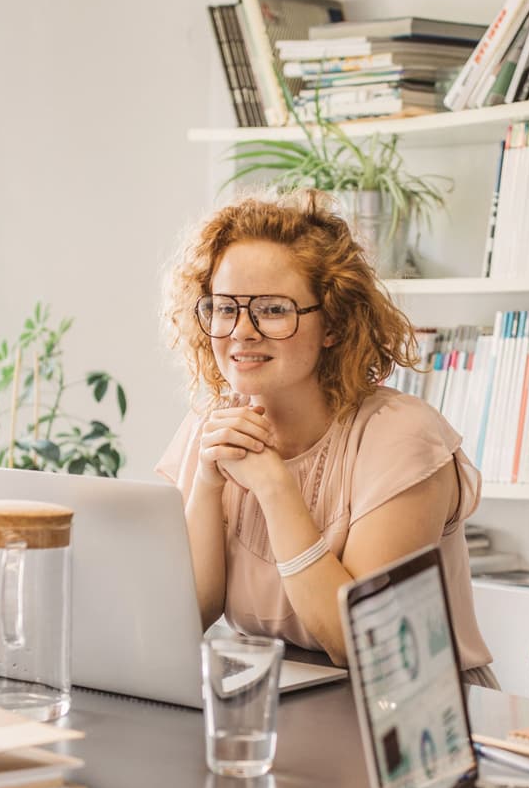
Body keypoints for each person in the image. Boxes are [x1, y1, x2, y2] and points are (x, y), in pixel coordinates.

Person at [157, 191, 495, 680]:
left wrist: (274, 488)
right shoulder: (208, 426)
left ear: (333, 323)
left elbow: (359, 644)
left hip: (411, 718)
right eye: (223, 307)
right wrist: (209, 485)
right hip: (280, 701)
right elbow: (184, 617)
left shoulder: (400, 435)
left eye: (273, 309)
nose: (241, 332)